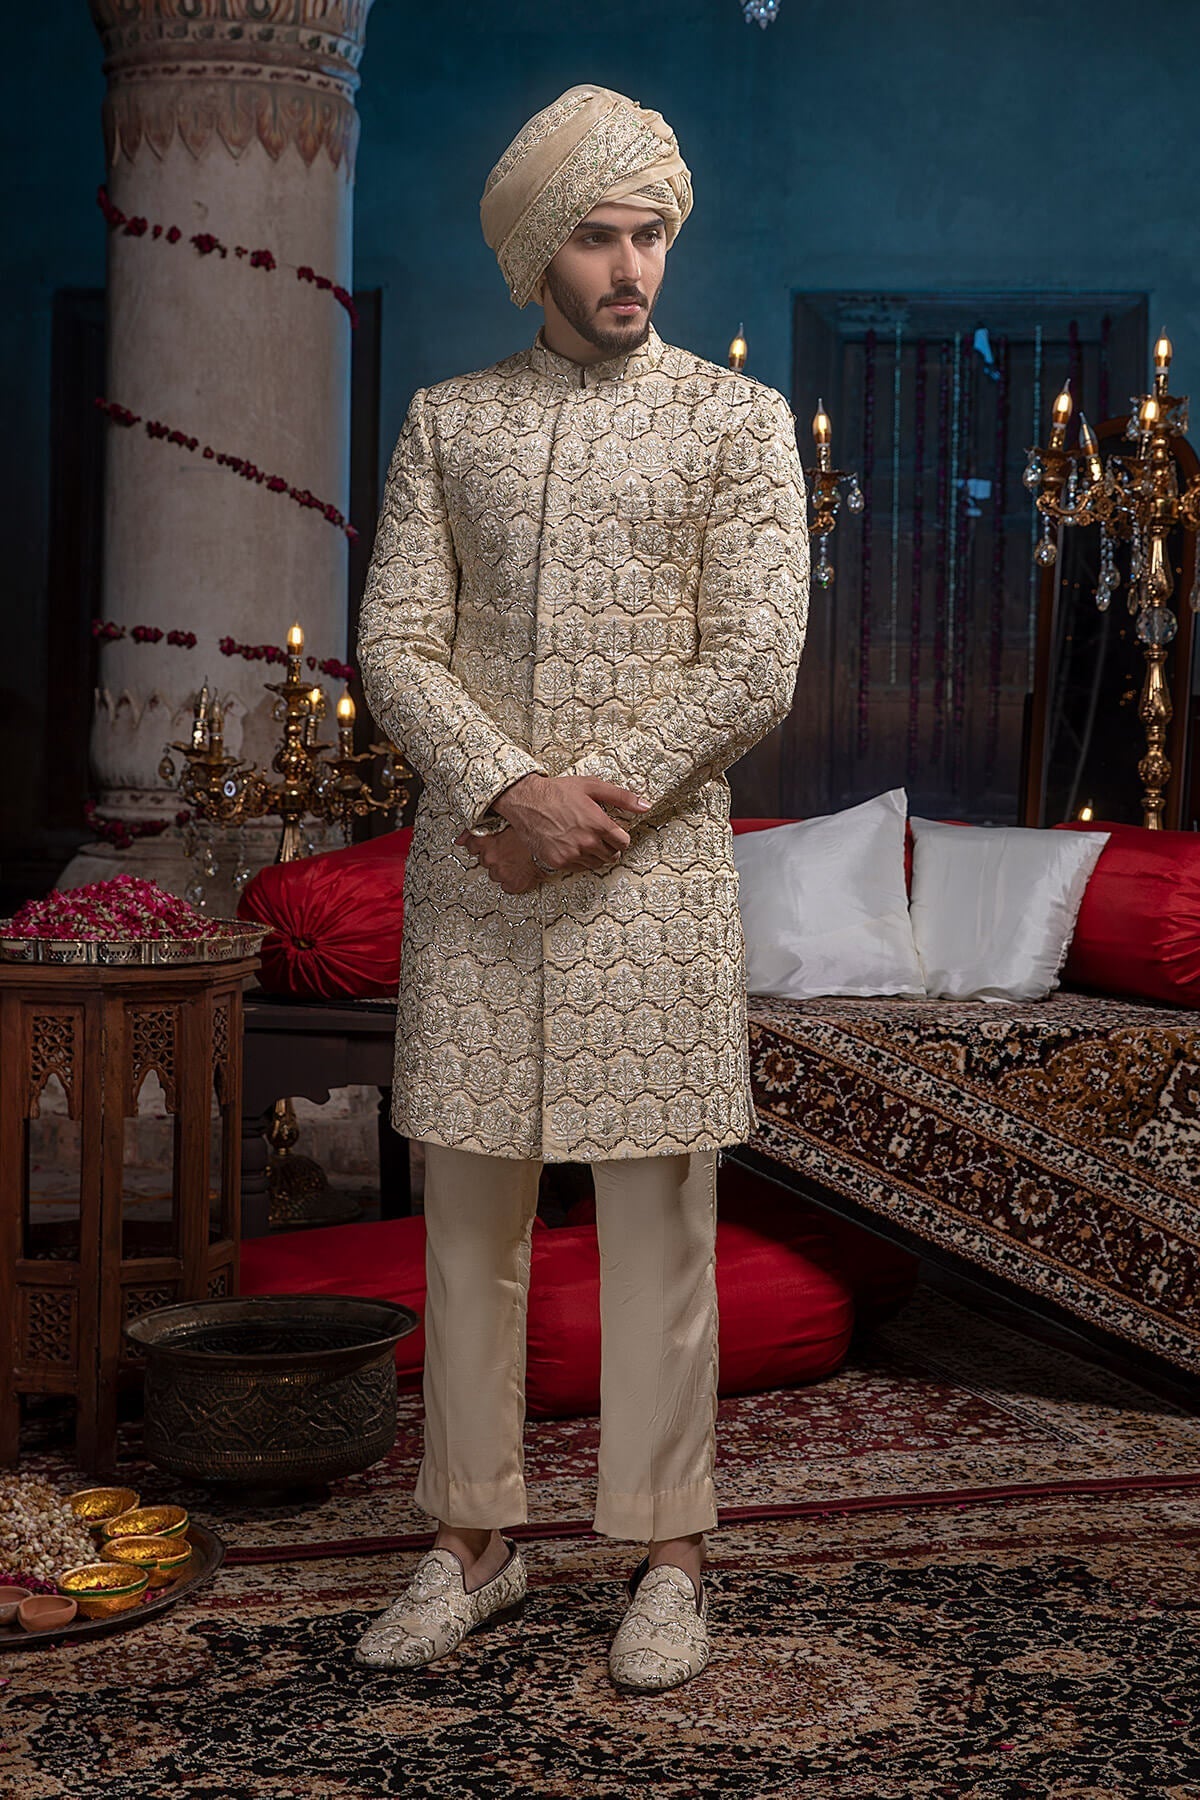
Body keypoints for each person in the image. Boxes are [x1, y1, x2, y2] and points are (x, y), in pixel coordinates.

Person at [354, 82, 809, 1693]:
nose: (631, 268)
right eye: (600, 239)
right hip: (481, 875)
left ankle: (670, 1559)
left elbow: (754, 659)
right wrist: (508, 791)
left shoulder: (736, 424)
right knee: (465, 1222)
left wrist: (581, 806)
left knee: (659, 1232)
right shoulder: (449, 422)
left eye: (651, 235)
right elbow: (394, 641)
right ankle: (473, 1543)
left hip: (648, 885)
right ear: (537, 253)